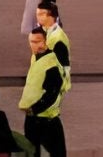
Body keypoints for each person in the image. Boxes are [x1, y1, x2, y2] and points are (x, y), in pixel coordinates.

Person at [20, 27, 68, 157]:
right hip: (33, 118)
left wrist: (35, 108)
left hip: (47, 118)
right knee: (32, 152)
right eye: (32, 41)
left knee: (57, 152)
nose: (34, 45)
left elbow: (53, 91)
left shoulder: (51, 63)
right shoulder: (35, 58)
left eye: (38, 41)